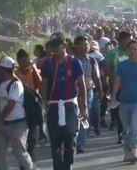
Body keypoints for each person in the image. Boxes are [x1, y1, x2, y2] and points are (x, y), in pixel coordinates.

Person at [40, 32, 88, 170]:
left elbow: (81, 85)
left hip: (70, 104)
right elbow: (44, 85)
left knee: (70, 133)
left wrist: (84, 107)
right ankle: (58, 166)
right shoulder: (47, 64)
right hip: (53, 105)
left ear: (64, 45)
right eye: (52, 47)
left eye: (57, 46)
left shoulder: (74, 63)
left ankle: (68, 162)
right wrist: (44, 104)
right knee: (55, 138)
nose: (54, 49)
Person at [111, 39, 137, 163]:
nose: (133, 51)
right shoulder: (122, 65)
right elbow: (117, 81)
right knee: (126, 129)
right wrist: (113, 95)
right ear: (127, 51)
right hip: (124, 101)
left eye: (135, 49)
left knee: (134, 126)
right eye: (131, 49)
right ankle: (127, 152)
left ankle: (134, 150)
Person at [0, 56, 35, 170]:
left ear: (4, 70)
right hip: (3, 124)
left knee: (20, 153)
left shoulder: (16, 84)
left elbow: (10, 105)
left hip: (17, 125)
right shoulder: (2, 84)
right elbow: (0, 105)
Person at [74, 36, 102, 153]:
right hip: (73, 93)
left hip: (88, 91)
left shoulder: (91, 60)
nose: (86, 46)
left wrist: (100, 91)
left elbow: (96, 77)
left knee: (85, 115)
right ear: (77, 46)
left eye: (87, 44)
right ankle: (73, 140)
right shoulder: (72, 61)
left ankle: (80, 143)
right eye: (83, 44)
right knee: (74, 117)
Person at [15, 49, 43, 162]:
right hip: (20, 107)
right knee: (21, 140)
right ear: (18, 61)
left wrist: (34, 68)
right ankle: (25, 162)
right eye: (21, 62)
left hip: (33, 107)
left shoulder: (34, 71)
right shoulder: (15, 73)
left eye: (26, 61)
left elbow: (40, 85)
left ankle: (31, 162)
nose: (24, 65)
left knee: (32, 140)